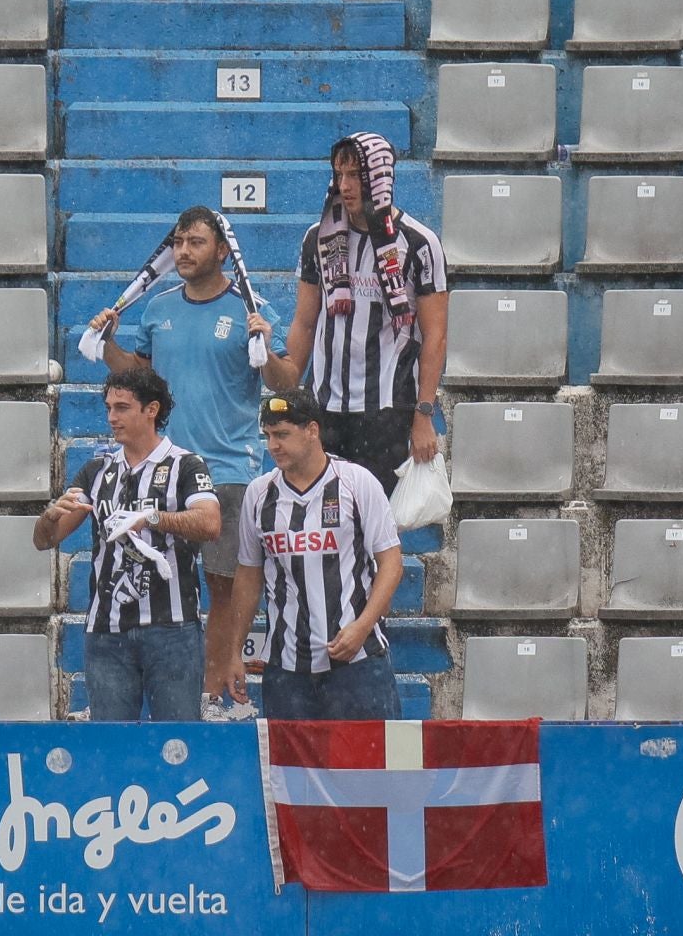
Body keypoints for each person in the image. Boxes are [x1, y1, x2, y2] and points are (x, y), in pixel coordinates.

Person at [87, 205, 295, 719]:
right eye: (178, 242)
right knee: (167, 588)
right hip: (167, 472)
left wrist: (265, 348)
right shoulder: (157, 308)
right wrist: (109, 342)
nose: (183, 251)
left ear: (222, 251)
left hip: (231, 470)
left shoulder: (253, 307)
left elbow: (286, 384)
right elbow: (138, 377)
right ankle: (189, 692)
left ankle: (213, 694)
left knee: (224, 587)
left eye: (195, 242)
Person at [33, 366, 221, 721]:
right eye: (108, 408)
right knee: (111, 747)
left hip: (172, 628)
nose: (111, 417)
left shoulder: (186, 464)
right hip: (106, 632)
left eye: (121, 408)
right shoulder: (97, 470)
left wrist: (150, 517)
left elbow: (210, 524)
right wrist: (50, 515)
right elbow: (46, 541)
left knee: (177, 741)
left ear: (151, 410)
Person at [281, 132, 449, 494]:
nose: (345, 185)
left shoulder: (419, 243)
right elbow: (304, 322)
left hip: (387, 407)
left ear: (380, 177)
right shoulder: (318, 238)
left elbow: (435, 335)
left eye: (356, 175)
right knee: (322, 515)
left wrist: (424, 415)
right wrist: (290, 390)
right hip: (323, 405)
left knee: (377, 525)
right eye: (339, 175)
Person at [223, 390, 404, 721]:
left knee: (370, 769)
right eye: (268, 436)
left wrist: (363, 626)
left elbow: (391, 563)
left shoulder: (356, 482)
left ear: (312, 430)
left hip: (359, 661)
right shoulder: (259, 494)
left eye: (282, 434)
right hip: (287, 669)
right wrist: (234, 650)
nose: (273, 445)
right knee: (292, 773)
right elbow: (248, 574)